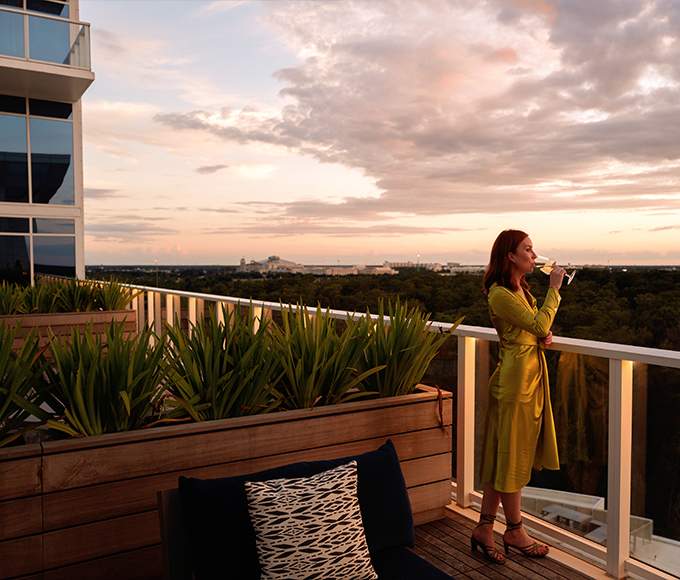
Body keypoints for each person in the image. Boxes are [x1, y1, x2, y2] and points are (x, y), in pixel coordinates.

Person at [470, 229, 566, 564]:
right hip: (513, 383)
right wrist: (554, 290)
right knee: (512, 457)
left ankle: (484, 528)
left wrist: (543, 336)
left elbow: (535, 327)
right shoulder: (500, 294)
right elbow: (537, 325)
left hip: (528, 378)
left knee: (505, 455)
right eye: (528, 249)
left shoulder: (520, 289)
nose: (534, 256)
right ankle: (514, 529)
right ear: (510, 256)